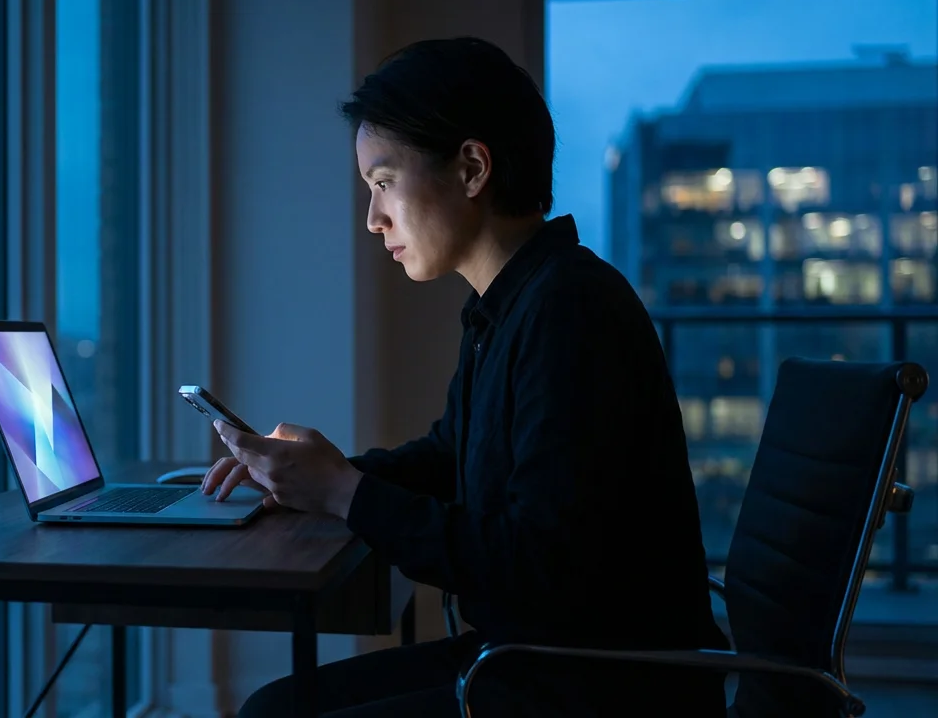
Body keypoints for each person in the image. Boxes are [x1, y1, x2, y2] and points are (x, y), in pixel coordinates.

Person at [202, 37, 729, 717]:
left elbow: (538, 568)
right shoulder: (511, 305)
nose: (372, 219)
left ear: (473, 168)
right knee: (274, 707)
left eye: (384, 183)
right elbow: (453, 457)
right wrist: (315, 479)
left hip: (593, 685)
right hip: (533, 659)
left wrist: (345, 492)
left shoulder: (571, 312)